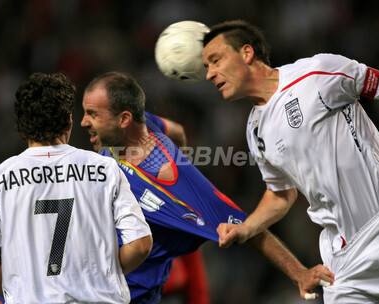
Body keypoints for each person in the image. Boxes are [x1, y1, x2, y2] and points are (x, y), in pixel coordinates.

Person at [80, 71, 334, 303]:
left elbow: (246, 228)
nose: (83, 122)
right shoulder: (137, 127)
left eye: (92, 115)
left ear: (124, 119)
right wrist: (180, 153)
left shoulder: (176, 187)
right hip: (91, 281)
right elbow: (176, 131)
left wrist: (299, 273)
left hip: (126, 296)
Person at [203, 20, 379, 303]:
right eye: (206, 67)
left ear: (247, 53)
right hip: (343, 260)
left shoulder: (317, 73)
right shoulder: (255, 129)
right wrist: (246, 228)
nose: (209, 74)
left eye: (215, 60)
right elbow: (281, 194)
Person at [0, 72, 153, 303]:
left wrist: (14, 292)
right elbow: (141, 244)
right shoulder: (106, 169)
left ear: (21, 126)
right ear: (69, 120)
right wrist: (101, 279)